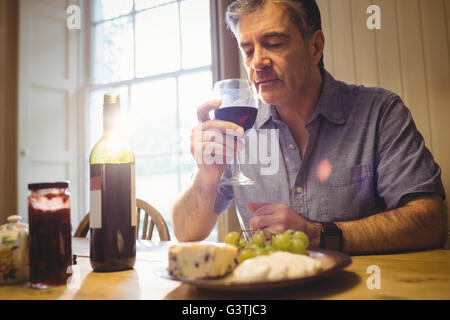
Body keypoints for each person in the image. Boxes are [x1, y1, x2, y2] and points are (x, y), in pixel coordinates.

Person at [171, 0, 447, 254]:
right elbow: (185, 233)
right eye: (248, 50)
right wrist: (206, 177)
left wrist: (317, 234)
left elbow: (430, 221)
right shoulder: (238, 130)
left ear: (315, 47)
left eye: (274, 43)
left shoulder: (380, 112)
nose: (257, 62)